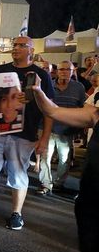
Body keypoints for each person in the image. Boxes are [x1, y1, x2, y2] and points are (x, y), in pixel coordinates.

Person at [31, 81, 99, 252]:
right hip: (92, 191)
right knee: (90, 242)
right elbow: (52, 111)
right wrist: (38, 91)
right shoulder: (95, 114)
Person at [0, 36, 54, 230]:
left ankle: (17, 213)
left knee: (18, 173)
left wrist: (45, 139)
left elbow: (50, 110)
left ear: (31, 50)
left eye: (21, 45)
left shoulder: (41, 75)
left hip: (25, 134)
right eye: (14, 45)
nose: (16, 48)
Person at [37, 60, 85, 195]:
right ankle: (46, 184)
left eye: (67, 70)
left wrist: (78, 127)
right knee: (45, 157)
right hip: (47, 127)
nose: (64, 72)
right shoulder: (48, 85)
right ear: (57, 71)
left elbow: (81, 107)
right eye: (61, 69)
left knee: (65, 159)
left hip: (66, 130)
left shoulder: (79, 88)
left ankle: (59, 183)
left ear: (72, 72)